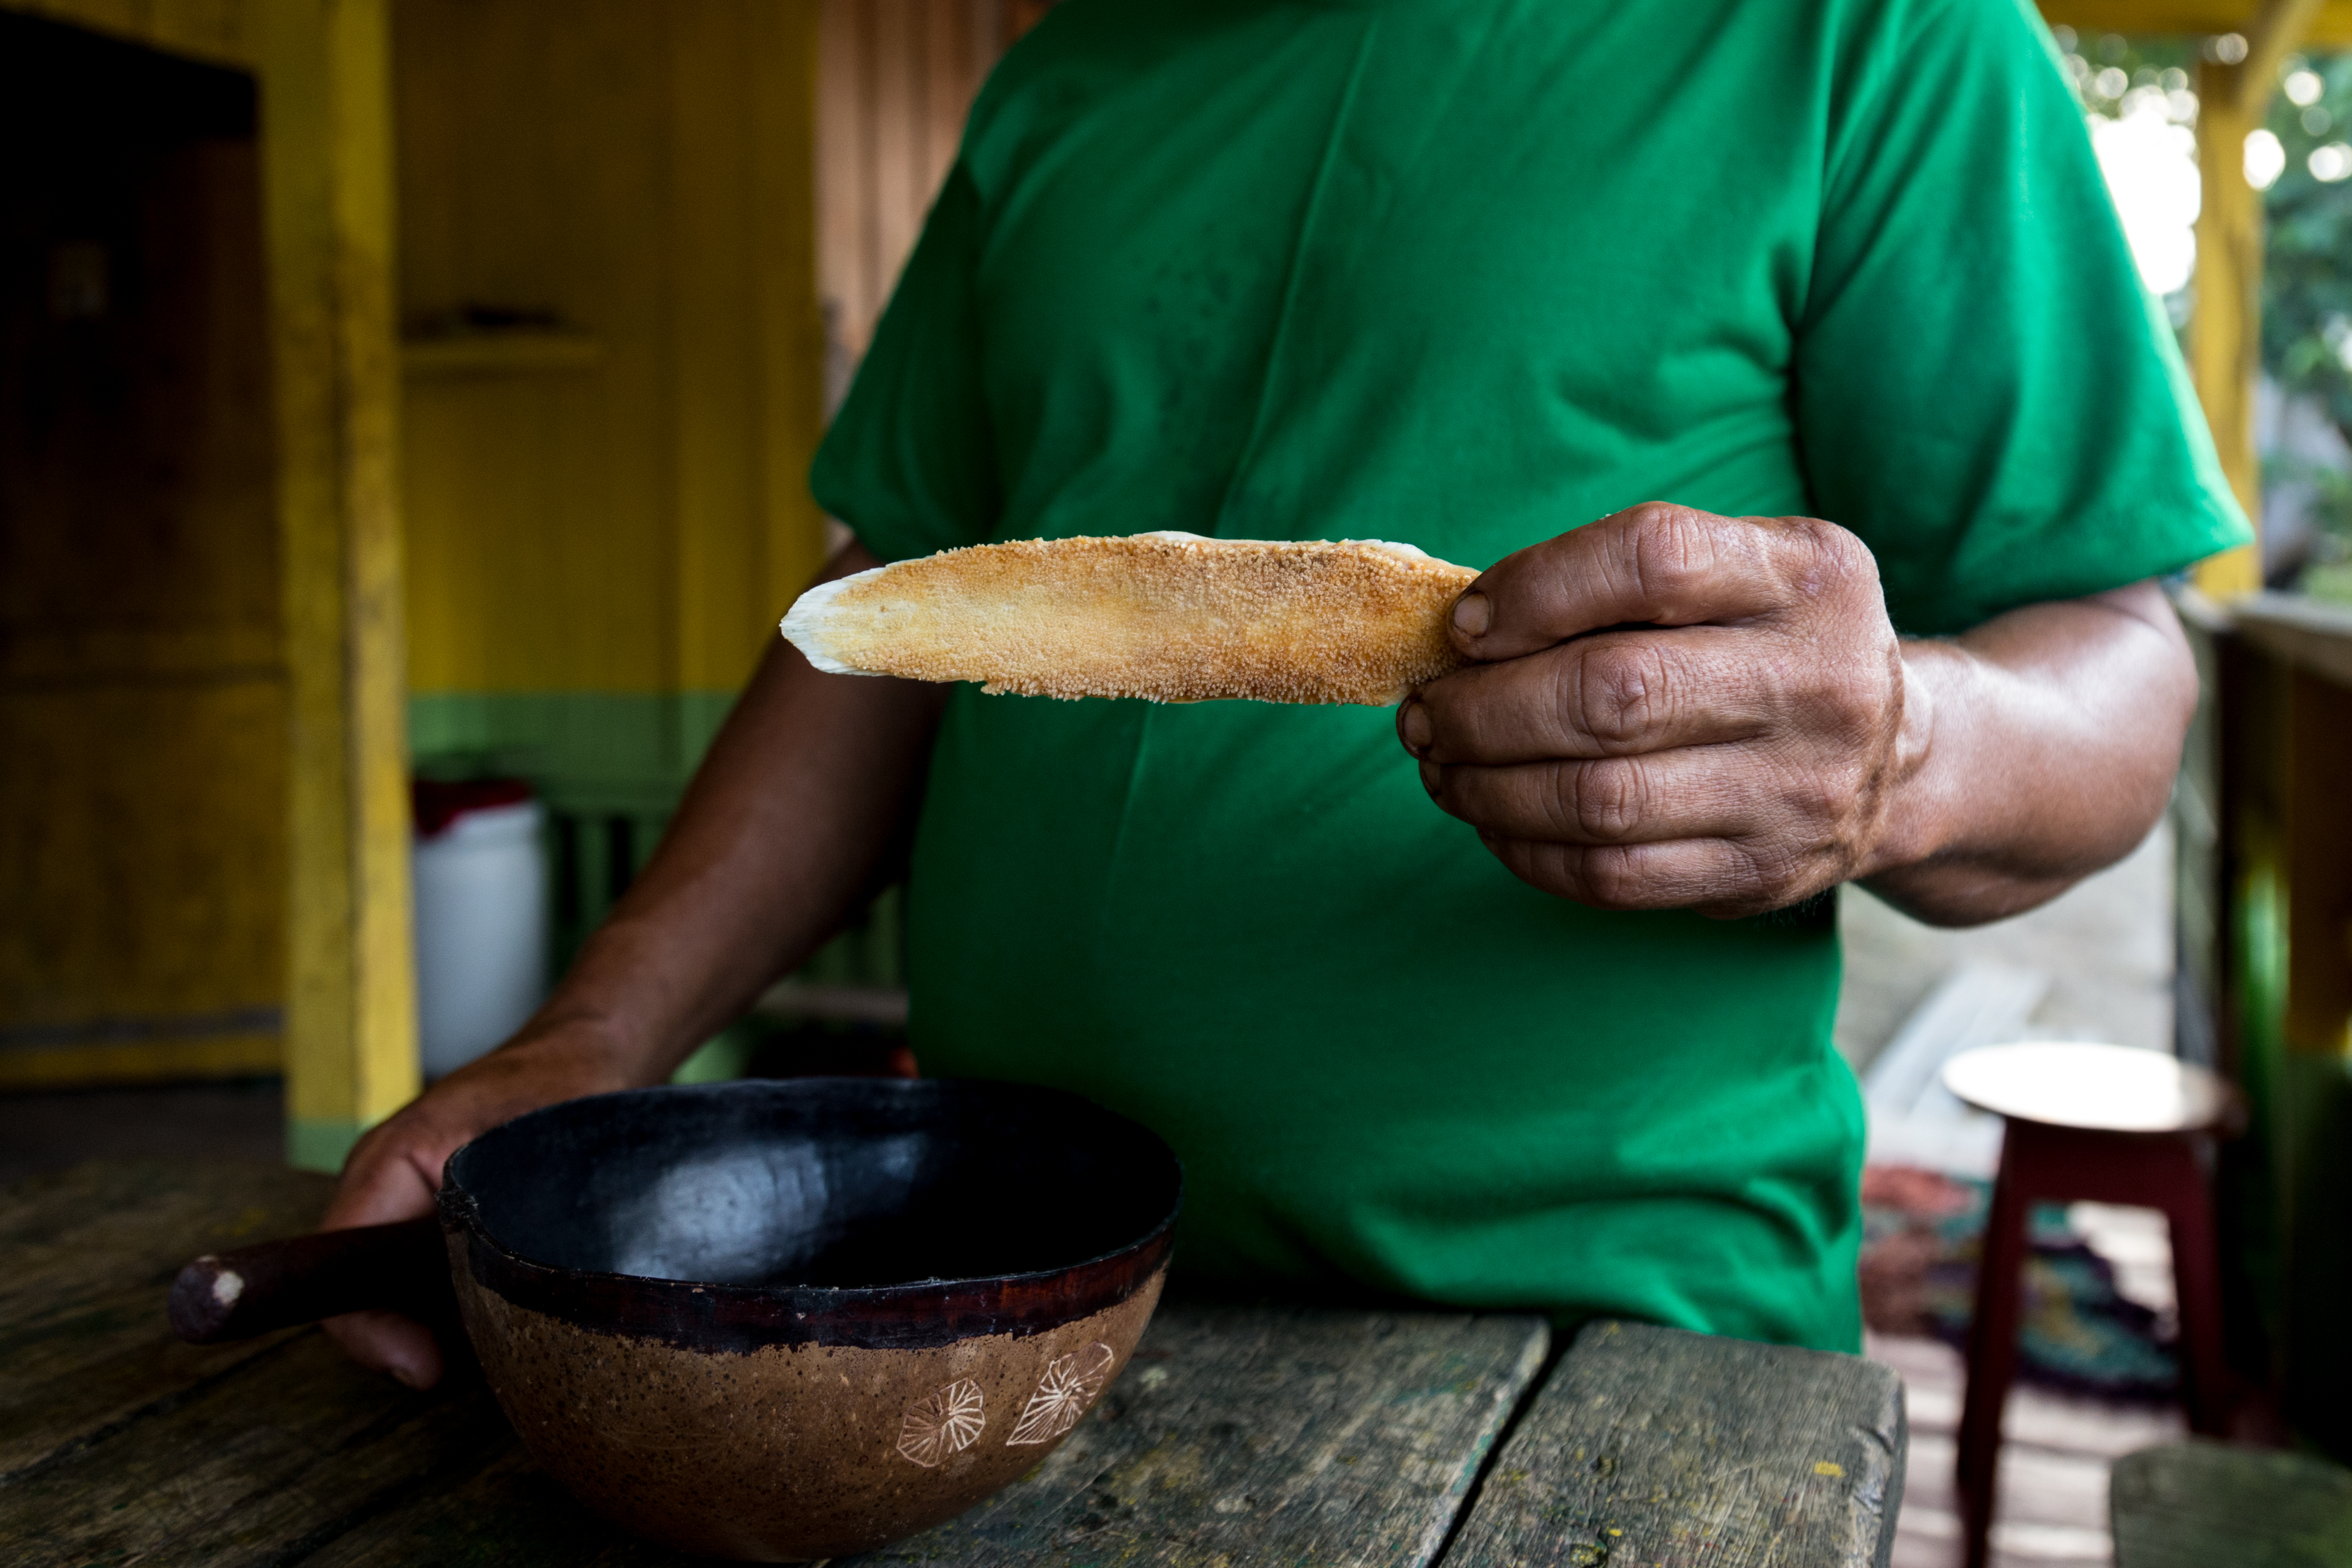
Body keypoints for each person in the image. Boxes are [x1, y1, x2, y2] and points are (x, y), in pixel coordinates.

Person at [326, 0, 2246, 1389]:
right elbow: (880, 621)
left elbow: (2121, 675)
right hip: (987, 1305)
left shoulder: (1874, 37)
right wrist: (591, 1038)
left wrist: (1903, 744)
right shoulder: (1065, 76)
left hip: (1594, 1351)